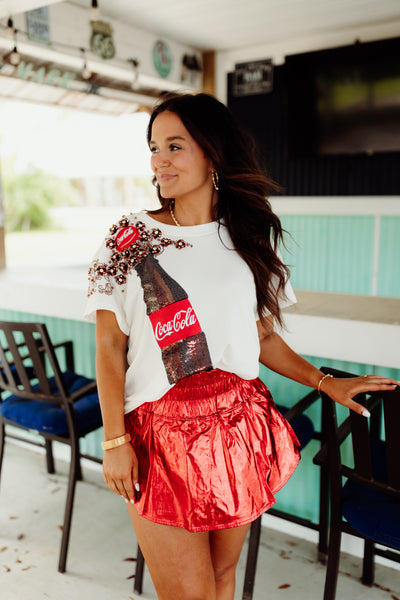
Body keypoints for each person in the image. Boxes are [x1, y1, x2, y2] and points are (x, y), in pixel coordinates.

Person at [84, 92, 398, 600]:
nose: (159, 160)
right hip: (157, 438)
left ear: (212, 152)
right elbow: (107, 345)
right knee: (191, 594)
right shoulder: (129, 238)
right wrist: (116, 441)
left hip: (238, 427)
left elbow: (262, 338)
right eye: (154, 147)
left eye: (174, 146)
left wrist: (325, 381)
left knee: (224, 579)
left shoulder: (251, 235)